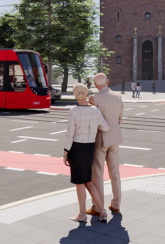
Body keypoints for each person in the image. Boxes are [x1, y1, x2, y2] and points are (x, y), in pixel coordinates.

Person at [61, 83, 110, 222]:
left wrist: (65, 154)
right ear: (87, 93)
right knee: (88, 181)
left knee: (80, 183)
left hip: (77, 149)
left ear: (75, 95)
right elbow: (105, 128)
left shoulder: (74, 111)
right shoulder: (95, 110)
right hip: (90, 148)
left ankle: (82, 214)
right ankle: (103, 211)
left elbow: (69, 135)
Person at [86, 73, 125, 215]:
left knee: (97, 173)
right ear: (108, 82)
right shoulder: (118, 96)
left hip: (100, 139)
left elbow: (92, 121)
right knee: (115, 172)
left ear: (96, 86)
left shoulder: (94, 98)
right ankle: (116, 204)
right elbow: (120, 119)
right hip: (115, 137)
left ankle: (97, 207)